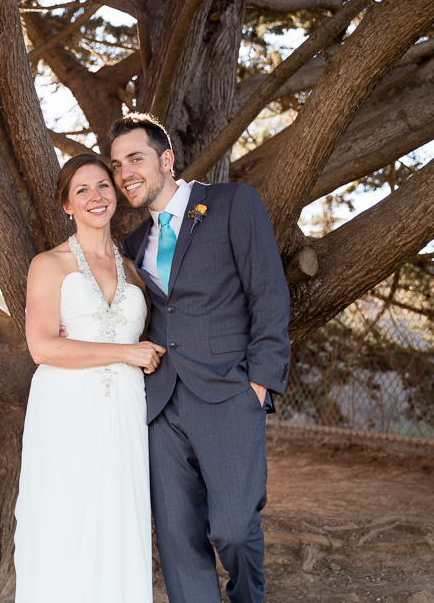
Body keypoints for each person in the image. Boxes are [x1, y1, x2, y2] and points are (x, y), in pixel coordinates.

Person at [112, 113, 291, 603]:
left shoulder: (232, 203)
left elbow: (268, 294)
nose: (125, 172)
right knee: (177, 540)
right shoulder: (133, 244)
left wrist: (259, 383)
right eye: (117, 164)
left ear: (166, 160)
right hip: (161, 403)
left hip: (228, 393)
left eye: (136, 159)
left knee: (234, 527)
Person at [13, 153, 165, 602]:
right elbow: (43, 348)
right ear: (67, 205)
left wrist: (143, 356)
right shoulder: (49, 264)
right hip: (65, 411)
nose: (96, 197)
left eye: (103, 185)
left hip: (125, 411)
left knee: (120, 520)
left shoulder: (136, 271)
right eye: (82, 190)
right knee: (65, 519)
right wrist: (126, 352)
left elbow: (150, 340)